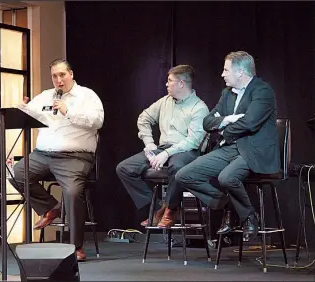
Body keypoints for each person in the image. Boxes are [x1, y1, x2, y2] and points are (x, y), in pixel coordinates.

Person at [175, 51, 280, 238]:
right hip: (230, 148)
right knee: (184, 175)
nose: (222, 74)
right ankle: (229, 207)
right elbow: (207, 122)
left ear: (240, 72)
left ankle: (248, 217)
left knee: (226, 178)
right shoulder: (227, 94)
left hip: (254, 149)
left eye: (226, 70)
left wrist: (224, 130)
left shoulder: (262, 91)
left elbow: (250, 122)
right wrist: (227, 119)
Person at [10, 59, 104, 261]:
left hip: (75, 156)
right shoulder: (45, 96)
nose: (58, 80)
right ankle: (51, 208)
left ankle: (75, 246)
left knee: (71, 192)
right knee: (17, 172)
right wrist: (23, 108)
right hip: (43, 154)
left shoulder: (87, 96)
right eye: (54, 76)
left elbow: (97, 121)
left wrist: (68, 111)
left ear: (71, 74)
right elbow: (31, 115)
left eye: (62, 75)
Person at [116, 65, 209, 228]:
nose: (166, 84)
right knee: (124, 168)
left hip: (187, 150)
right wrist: (149, 142)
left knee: (177, 166)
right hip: (163, 148)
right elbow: (143, 118)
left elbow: (193, 141)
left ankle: (171, 209)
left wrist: (166, 153)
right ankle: (159, 207)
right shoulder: (165, 101)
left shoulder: (199, 107)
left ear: (181, 83)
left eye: (170, 81)